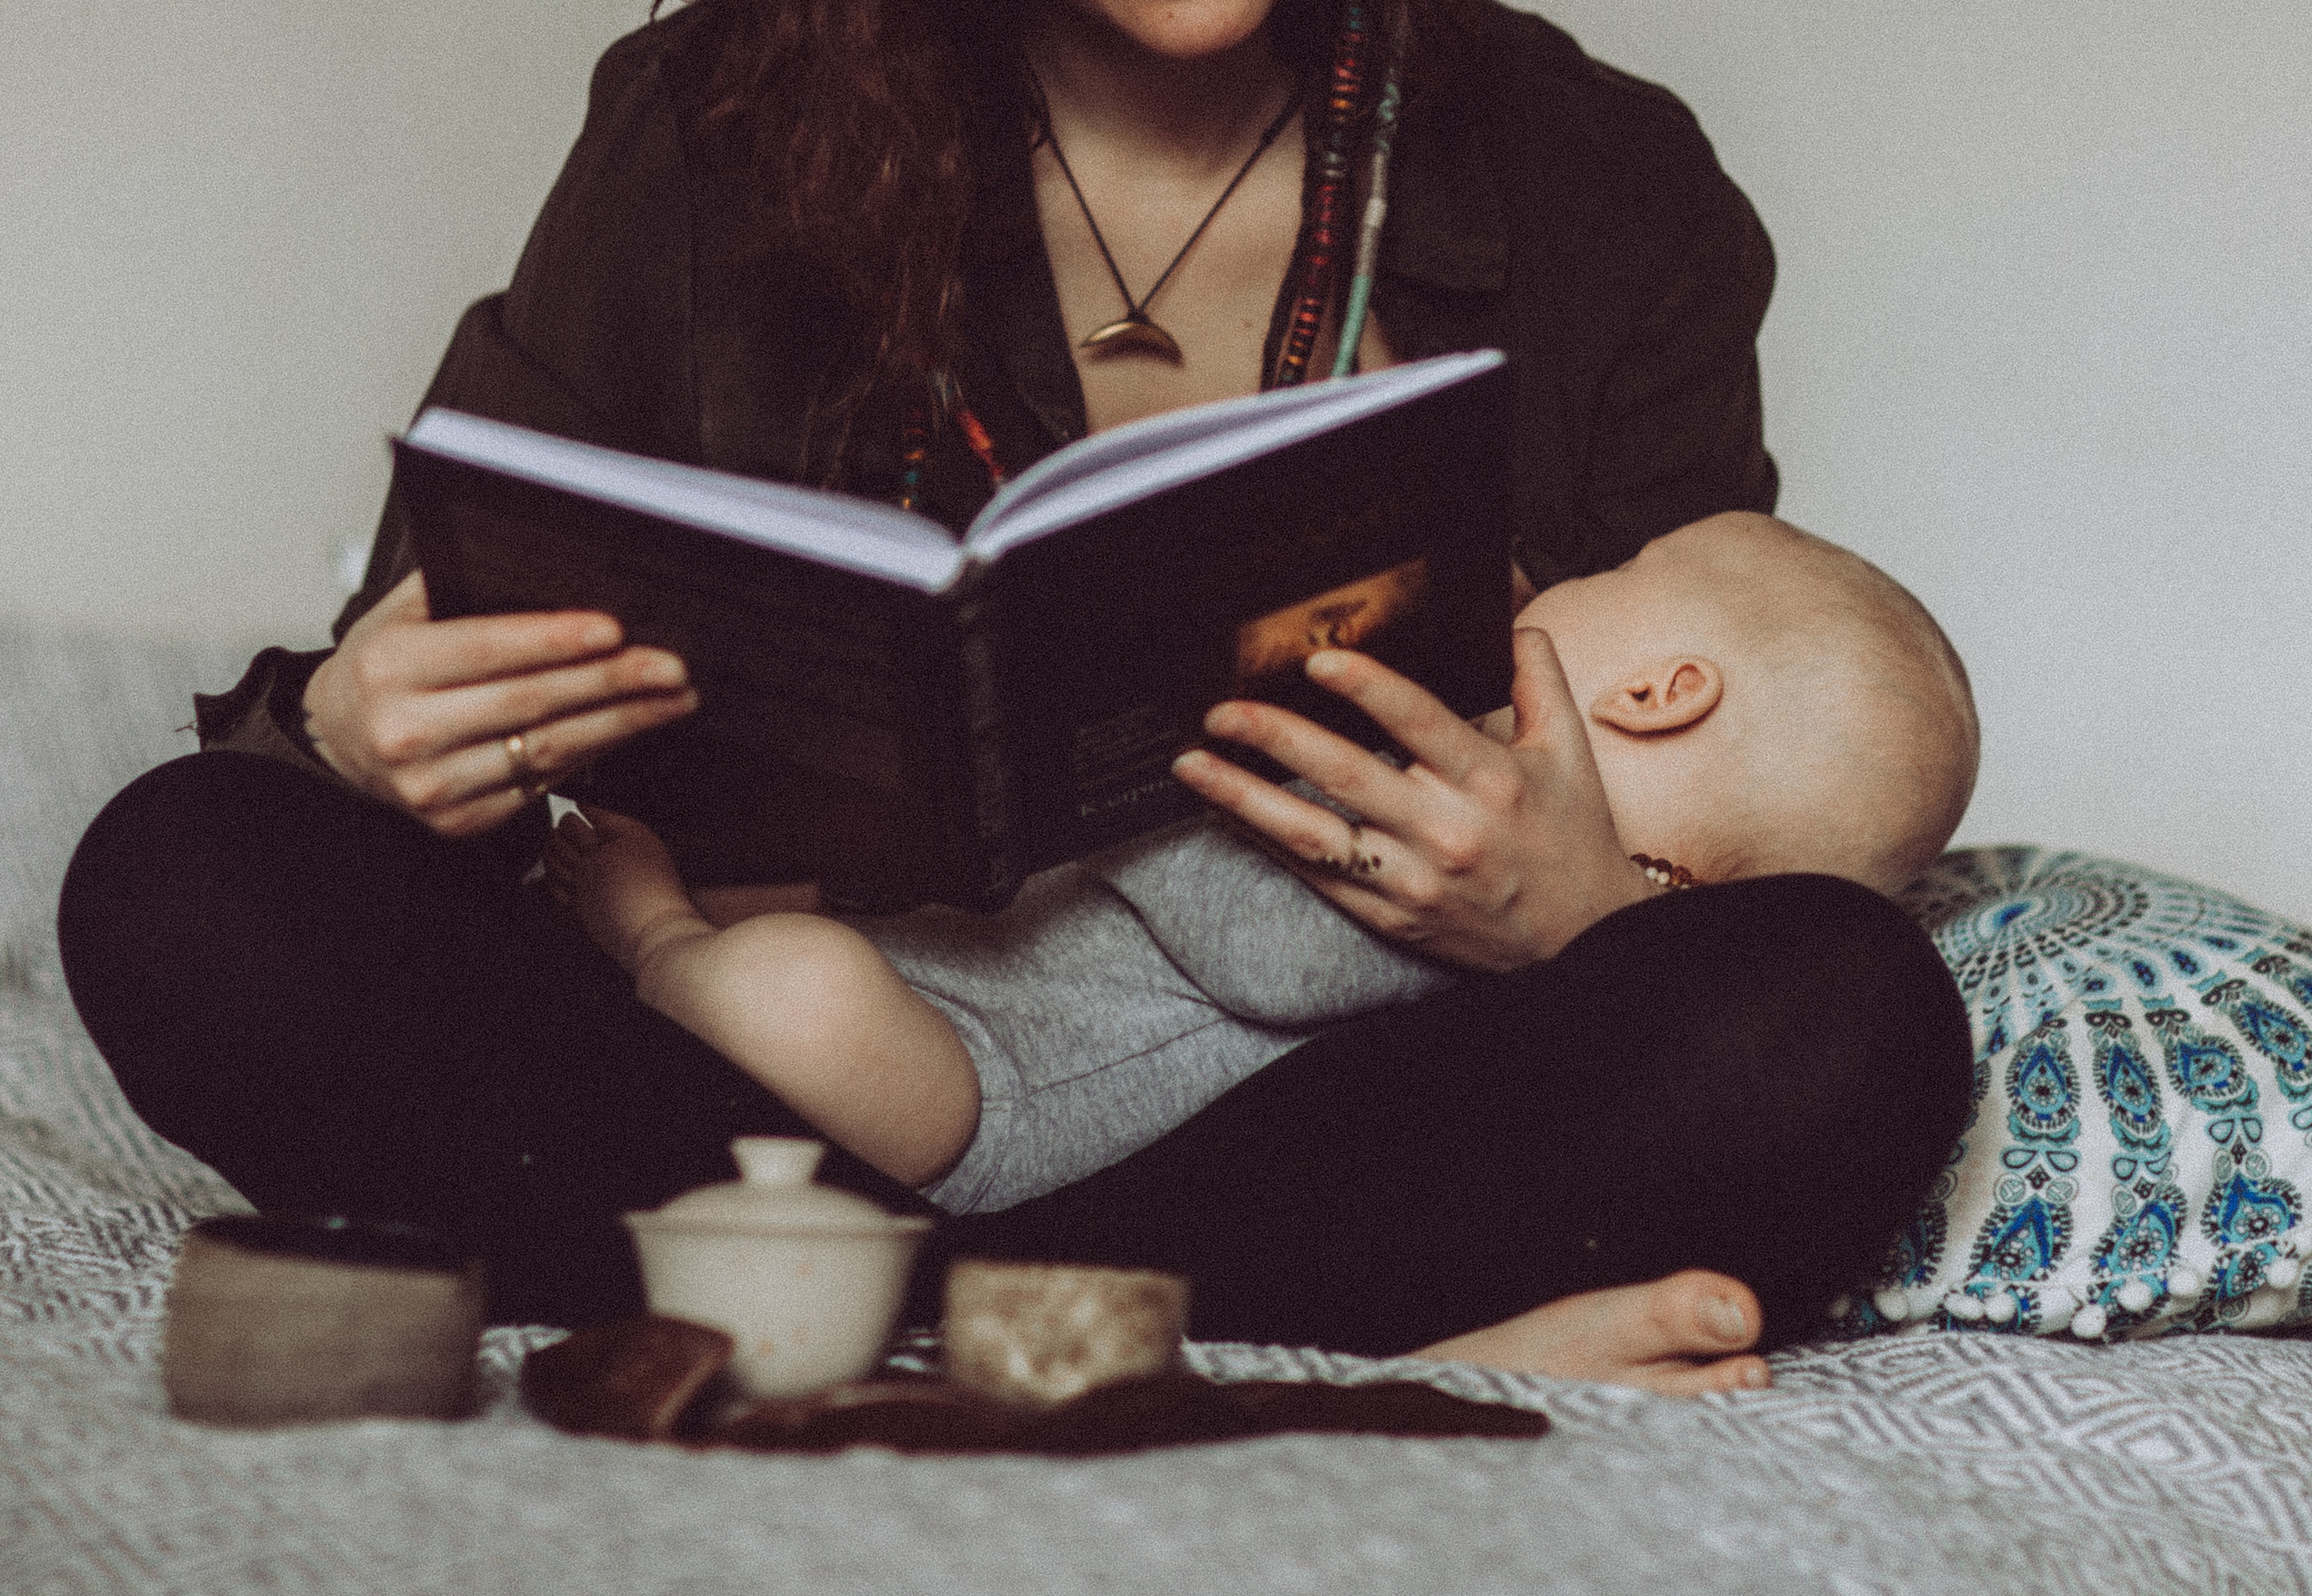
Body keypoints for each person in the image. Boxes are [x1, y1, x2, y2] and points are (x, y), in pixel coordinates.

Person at [58, 0, 1973, 1394]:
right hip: (764, 1076)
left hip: (1286, 1125)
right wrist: (362, 737)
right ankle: (1209, 1335)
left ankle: (873, 1324)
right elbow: (415, 671)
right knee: (188, 880)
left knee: (1842, 1010)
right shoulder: (707, 134)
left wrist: (1575, 909)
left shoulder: (1605, 185)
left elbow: (1727, 774)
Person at [545, 513, 1979, 1221]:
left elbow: (1261, 942)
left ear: (1660, 694)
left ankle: (648, 939)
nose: (1555, 584)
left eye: (1610, 573)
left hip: (985, 1095)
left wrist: (1167, 724)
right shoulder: (1449, 834)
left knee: (793, 988)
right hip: (970, 970)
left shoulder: (1450, 897)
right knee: (795, 923)